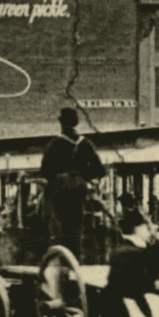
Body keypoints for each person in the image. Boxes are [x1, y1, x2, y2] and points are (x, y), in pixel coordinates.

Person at [40, 107, 103, 260]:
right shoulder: (85, 143)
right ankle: (76, 256)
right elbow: (99, 170)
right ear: (76, 123)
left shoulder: (54, 144)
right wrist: (81, 176)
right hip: (79, 188)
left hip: (59, 189)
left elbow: (45, 171)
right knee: (76, 224)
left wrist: (59, 176)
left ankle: (59, 256)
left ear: (60, 122)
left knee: (58, 223)